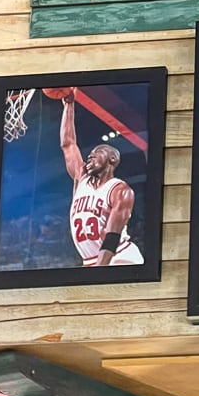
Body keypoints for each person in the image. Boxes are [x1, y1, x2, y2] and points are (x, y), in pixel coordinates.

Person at [59, 91, 143, 267]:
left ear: (112, 159)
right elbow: (68, 144)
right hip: (92, 262)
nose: (90, 156)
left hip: (119, 258)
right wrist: (69, 106)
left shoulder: (120, 190)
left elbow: (112, 235)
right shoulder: (81, 178)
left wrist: (100, 271)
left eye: (97, 152)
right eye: (89, 154)